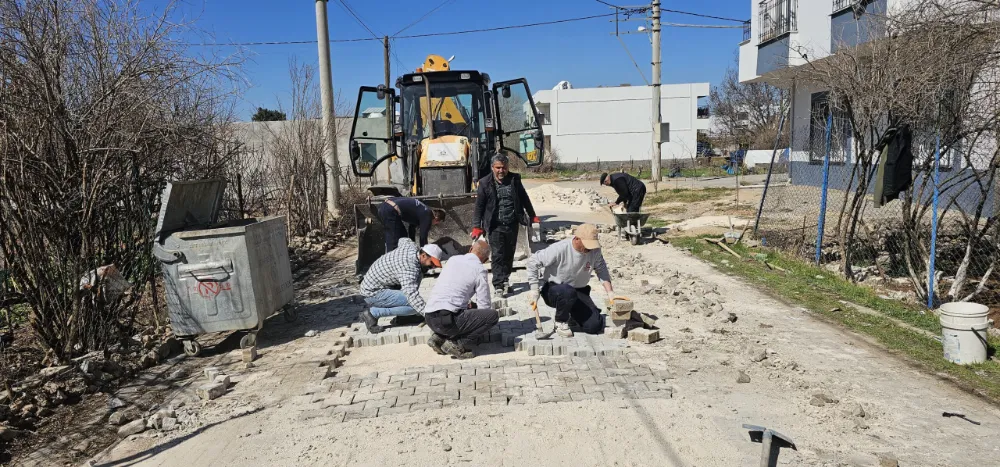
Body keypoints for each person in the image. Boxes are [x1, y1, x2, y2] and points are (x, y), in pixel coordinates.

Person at [526, 223, 614, 338]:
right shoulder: (559, 249)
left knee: (594, 325)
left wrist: (610, 292)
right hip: (554, 290)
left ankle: (573, 316)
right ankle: (560, 322)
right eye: (587, 244)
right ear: (577, 239)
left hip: (578, 291)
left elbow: (601, 270)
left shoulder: (595, 251)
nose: (590, 249)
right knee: (568, 291)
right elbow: (532, 262)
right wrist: (534, 288)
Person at [472, 153, 539, 296]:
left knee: (509, 254)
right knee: (497, 254)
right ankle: (498, 285)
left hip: (512, 223)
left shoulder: (515, 179)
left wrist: (532, 215)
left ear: (508, 167)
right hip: (495, 225)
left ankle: (506, 279)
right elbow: (479, 206)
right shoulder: (484, 183)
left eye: (504, 168)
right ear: (492, 167)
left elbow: (524, 198)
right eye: (498, 168)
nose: (501, 171)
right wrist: (477, 226)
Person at [423, 240, 499, 359]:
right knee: (492, 316)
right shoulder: (480, 270)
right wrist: (480, 328)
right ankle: (456, 344)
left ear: (470, 250)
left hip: (429, 317)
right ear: (484, 260)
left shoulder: (453, 260)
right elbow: (484, 305)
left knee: (466, 309)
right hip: (447, 320)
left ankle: (438, 337)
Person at [358, 238, 443, 334]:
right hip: (372, 293)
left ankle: (404, 317)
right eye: (432, 263)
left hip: (378, 285)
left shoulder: (412, 248)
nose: (433, 267)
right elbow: (412, 296)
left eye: (435, 265)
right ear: (423, 255)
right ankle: (373, 313)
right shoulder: (409, 268)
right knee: (414, 305)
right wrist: (430, 316)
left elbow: (403, 240)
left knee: (419, 276)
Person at [377, 197, 447, 253]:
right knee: (394, 239)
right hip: (390, 210)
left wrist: (412, 246)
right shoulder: (428, 216)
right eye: (437, 222)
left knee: (403, 237)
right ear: (436, 218)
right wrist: (425, 253)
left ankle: (402, 256)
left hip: (386, 206)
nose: (435, 224)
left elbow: (411, 229)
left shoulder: (422, 211)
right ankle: (391, 263)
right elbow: (423, 237)